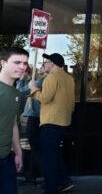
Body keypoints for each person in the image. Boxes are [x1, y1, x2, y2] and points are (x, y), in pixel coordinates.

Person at [29, 52, 75, 194]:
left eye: (45, 62)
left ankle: (50, 189)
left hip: (50, 122)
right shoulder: (69, 78)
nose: (44, 65)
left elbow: (45, 98)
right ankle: (64, 181)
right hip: (64, 122)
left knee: (49, 159)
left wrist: (33, 89)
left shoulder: (51, 77)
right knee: (54, 154)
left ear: (52, 64)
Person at [0, 47, 28, 194]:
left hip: (6, 158)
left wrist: (18, 153)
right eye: (17, 62)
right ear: (3, 63)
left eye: (25, 63)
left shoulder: (16, 93)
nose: (22, 67)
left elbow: (13, 124)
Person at [16, 64, 46, 186]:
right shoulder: (35, 81)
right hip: (35, 116)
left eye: (43, 66)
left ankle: (44, 175)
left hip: (36, 116)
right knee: (34, 147)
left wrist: (23, 78)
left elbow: (20, 91)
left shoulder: (42, 81)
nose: (41, 68)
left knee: (36, 147)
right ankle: (32, 174)